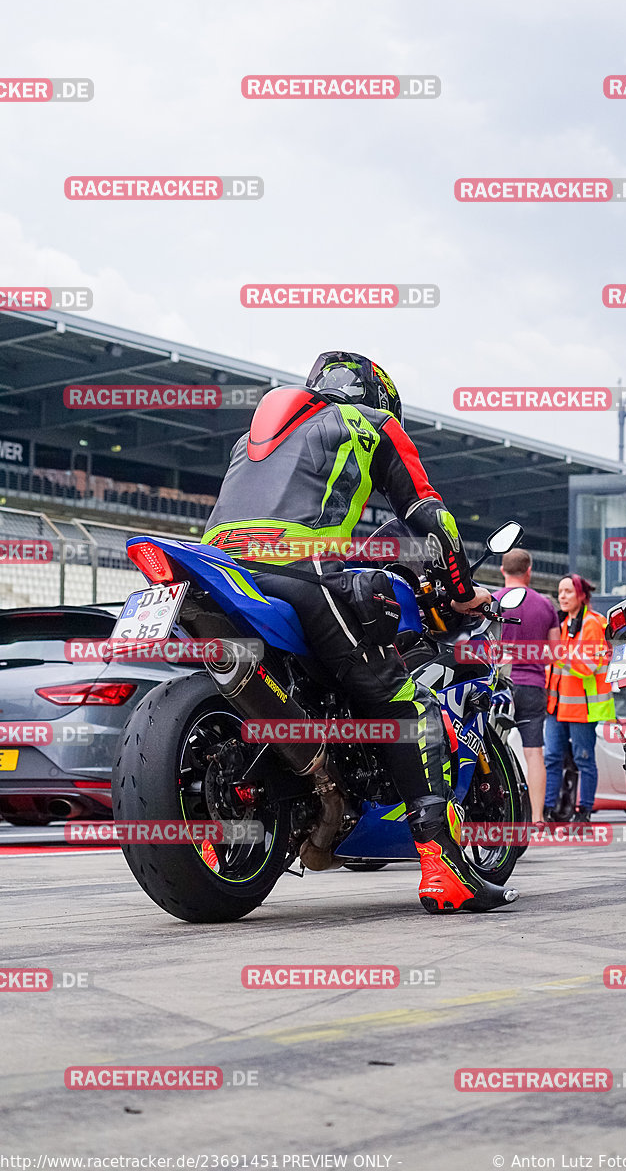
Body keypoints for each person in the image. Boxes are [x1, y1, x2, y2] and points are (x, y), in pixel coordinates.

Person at [202, 351, 518, 914]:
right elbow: (428, 514)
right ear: (377, 396)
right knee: (402, 701)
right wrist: (461, 586)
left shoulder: (254, 435)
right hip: (301, 569)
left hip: (222, 569)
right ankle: (444, 867)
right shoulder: (373, 424)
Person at [494, 550, 560, 823]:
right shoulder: (545, 605)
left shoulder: (494, 601)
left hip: (498, 687)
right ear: (529, 571)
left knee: (493, 747)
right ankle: (536, 817)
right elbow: (556, 654)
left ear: (502, 570)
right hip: (533, 686)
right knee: (534, 753)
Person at [544, 574, 615, 822]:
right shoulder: (564, 625)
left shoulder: (594, 623)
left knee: (584, 759)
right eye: (560, 591)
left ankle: (583, 813)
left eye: (568, 592)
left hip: (582, 708)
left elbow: (588, 665)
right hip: (557, 705)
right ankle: (548, 811)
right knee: (551, 758)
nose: (562, 596)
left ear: (581, 596)